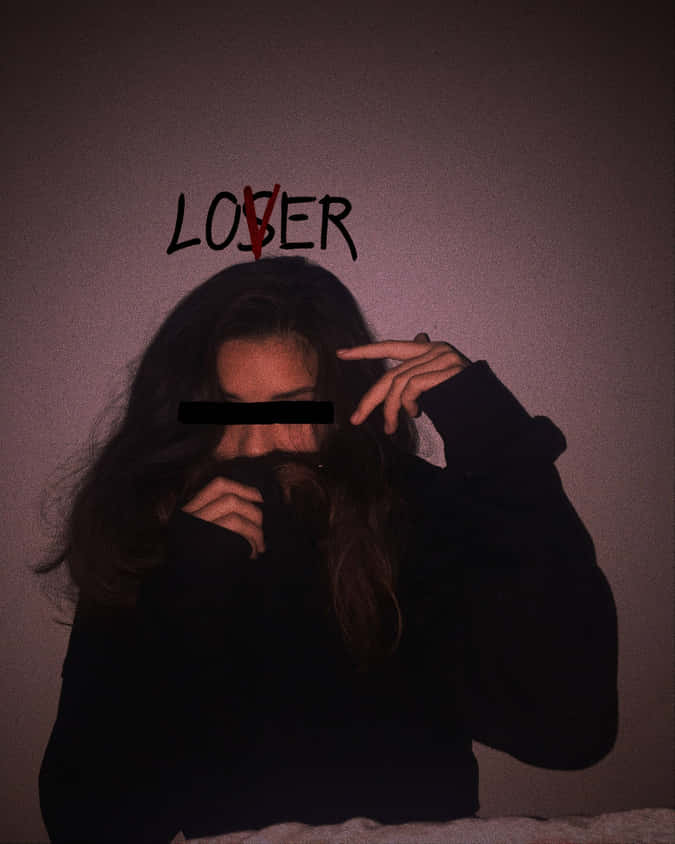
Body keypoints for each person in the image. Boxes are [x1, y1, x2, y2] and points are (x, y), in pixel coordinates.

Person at [35, 255, 618, 843]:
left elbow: (570, 731)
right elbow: (87, 823)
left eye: (293, 408)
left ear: (340, 406)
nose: (255, 445)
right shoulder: (152, 534)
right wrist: (179, 599)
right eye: (226, 413)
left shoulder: (411, 514)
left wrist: (498, 445)